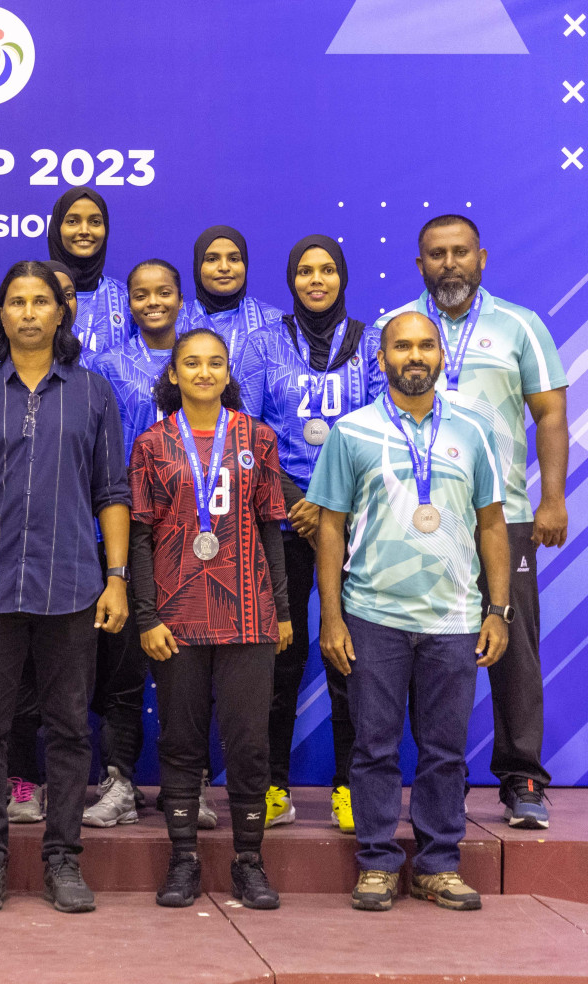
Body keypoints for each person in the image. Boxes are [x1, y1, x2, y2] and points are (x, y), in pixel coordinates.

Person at [0, 261, 130, 915]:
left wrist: (117, 578)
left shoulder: (95, 393)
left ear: (61, 313)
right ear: (0, 316)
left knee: (71, 730)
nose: (27, 312)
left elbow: (112, 494)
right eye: (15, 301)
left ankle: (63, 861)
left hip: (73, 586)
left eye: (40, 301)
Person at [307, 311, 510, 912]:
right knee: (373, 745)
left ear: (442, 356)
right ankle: (376, 863)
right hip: (372, 615)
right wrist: (332, 616)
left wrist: (496, 610)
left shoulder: (474, 428)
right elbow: (331, 528)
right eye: (402, 346)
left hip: (454, 617)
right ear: (382, 358)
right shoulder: (352, 432)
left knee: (445, 749)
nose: (414, 356)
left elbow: (492, 524)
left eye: (425, 345)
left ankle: (439, 864)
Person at [376, 214, 568, 830]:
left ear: (482, 258)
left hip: (503, 516)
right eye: (436, 254)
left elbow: (551, 416)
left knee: (514, 645)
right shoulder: (398, 327)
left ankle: (523, 778)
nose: (449, 264)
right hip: (415, 523)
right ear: (419, 264)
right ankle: (444, 779)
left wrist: (554, 499)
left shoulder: (521, 326)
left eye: (460, 253)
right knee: (427, 649)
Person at [129, 328, 291, 911]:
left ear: (228, 373)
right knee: (180, 743)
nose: (203, 372)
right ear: (172, 374)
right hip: (175, 618)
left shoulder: (258, 438)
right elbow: (140, 536)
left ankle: (249, 861)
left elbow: (272, 525)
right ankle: (183, 860)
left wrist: (284, 611)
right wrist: (146, 614)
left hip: (249, 615)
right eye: (190, 363)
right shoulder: (151, 444)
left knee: (249, 744)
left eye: (214, 363)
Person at [237, 237, 384, 833]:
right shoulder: (263, 343)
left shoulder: (372, 342)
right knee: (282, 655)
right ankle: (273, 785)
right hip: (280, 520)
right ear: (291, 279)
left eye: (327, 270)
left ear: (342, 277)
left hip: (355, 521)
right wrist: (298, 502)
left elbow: (383, 429)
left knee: (351, 657)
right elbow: (244, 427)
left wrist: (329, 505)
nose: (315, 280)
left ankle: (349, 786)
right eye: (304, 270)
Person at [83, 260, 188, 830]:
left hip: (195, 536)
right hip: (125, 528)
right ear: (127, 303)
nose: (153, 302)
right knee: (122, 666)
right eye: (141, 294)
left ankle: (186, 783)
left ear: (180, 298)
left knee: (190, 667)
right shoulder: (105, 366)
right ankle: (119, 779)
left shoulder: (200, 355)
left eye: (164, 292)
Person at [181, 226, 283, 357]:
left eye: (234, 259)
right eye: (212, 259)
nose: (224, 267)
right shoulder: (176, 321)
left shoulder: (275, 322)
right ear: (198, 266)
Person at [47, 187, 127, 355]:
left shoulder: (125, 298)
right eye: (72, 221)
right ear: (56, 228)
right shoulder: (33, 293)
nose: (84, 231)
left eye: (95, 222)